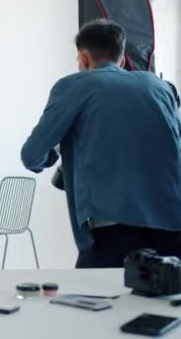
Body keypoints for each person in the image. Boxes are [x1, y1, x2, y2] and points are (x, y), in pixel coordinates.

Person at [21, 19, 181, 268]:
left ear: (84, 58)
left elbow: (32, 155)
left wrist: (58, 148)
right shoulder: (161, 87)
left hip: (112, 227)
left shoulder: (75, 86)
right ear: (123, 58)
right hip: (172, 223)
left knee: (91, 301)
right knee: (163, 304)